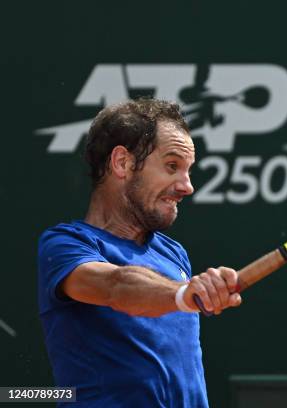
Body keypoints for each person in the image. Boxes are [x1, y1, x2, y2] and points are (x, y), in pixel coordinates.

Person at [37, 98, 241, 407]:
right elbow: (117, 286)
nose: (187, 186)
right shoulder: (65, 245)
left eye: (188, 171)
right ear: (122, 163)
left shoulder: (174, 254)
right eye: (172, 166)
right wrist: (183, 294)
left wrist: (187, 291)